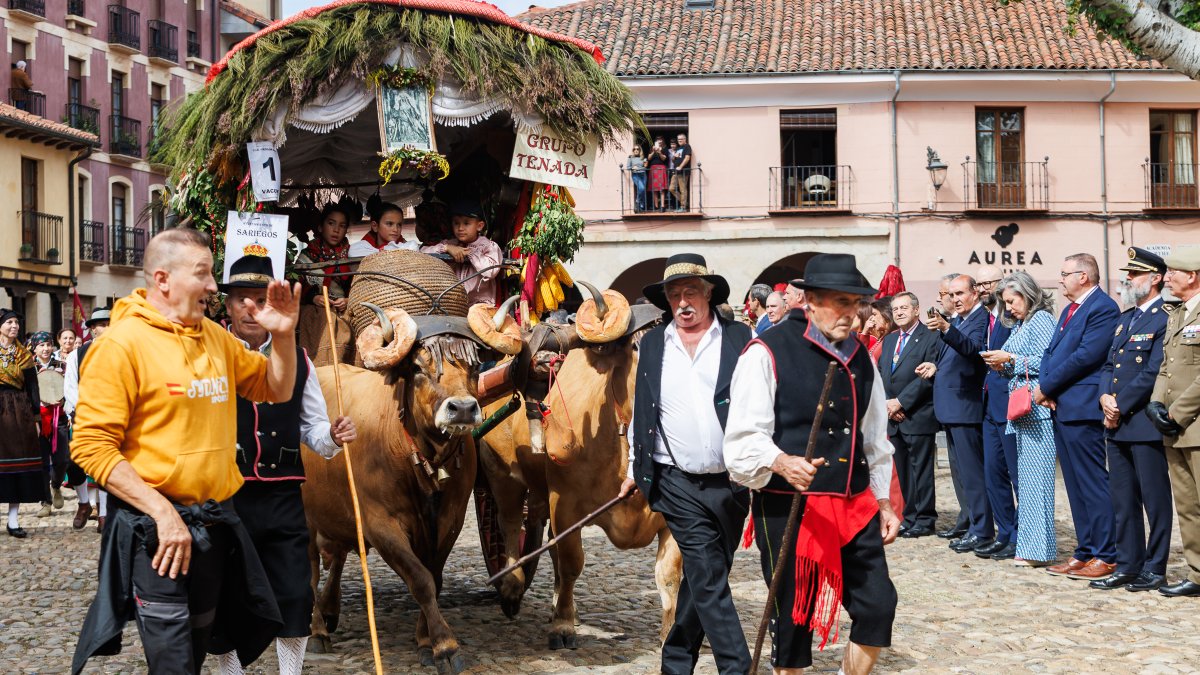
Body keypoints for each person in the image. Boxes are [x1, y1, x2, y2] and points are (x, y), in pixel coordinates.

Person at [71, 228, 300, 674]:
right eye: (203, 274)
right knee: (174, 664)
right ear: (163, 279)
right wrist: (162, 513)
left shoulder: (214, 337)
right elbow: (91, 446)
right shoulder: (119, 346)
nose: (215, 286)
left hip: (212, 525)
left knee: (193, 656)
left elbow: (276, 388)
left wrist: (285, 337)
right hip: (155, 535)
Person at [725, 253, 899, 675]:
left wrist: (883, 500)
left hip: (852, 499)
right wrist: (780, 460)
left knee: (878, 604)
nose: (853, 315)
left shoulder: (861, 357)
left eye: (857, 304)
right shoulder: (766, 351)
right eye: (841, 303)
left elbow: (873, 435)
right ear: (812, 301)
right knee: (793, 615)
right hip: (788, 503)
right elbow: (742, 438)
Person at [212, 255, 357, 675]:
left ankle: (290, 672)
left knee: (295, 592)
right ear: (228, 306)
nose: (252, 308)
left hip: (283, 496)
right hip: (227, 495)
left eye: (261, 299)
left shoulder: (299, 359)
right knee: (229, 591)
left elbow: (312, 426)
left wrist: (332, 435)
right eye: (242, 299)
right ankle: (231, 672)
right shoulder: (211, 355)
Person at [618, 253, 753, 674]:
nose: (682, 302)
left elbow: (760, 402)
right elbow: (644, 410)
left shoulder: (740, 338)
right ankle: (737, 667)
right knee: (709, 578)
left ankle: (675, 662)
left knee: (704, 576)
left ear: (709, 294)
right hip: (675, 479)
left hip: (731, 482)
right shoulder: (655, 343)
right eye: (674, 295)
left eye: (691, 292)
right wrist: (632, 470)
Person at [1089, 247, 1172, 591]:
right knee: (1122, 499)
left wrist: (1119, 404)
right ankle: (1128, 563)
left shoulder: (1165, 317)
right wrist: (1105, 397)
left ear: (1155, 279)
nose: (1128, 279)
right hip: (1116, 422)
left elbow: (1154, 371)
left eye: (1136, 275)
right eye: (1129, 274)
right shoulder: (1126, 318)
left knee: (1155, 500)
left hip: (1142, 423)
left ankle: (1155, 566)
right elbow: (1110, 365)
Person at [1037, 253, 1121, 580]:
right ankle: (1085, 549)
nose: (1060, 279)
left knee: (1092, 482)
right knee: (1073, 484)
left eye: (1064, 273)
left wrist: (1046, 387)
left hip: (1083, 405)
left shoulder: (1102, 307)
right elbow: (1053, 352)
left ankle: (1106, 553)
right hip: (1063, 403)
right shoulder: (1070, 309)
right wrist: (1049, 389)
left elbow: (1087, 356)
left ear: (1083, 276)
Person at [980, 271, 1058, 566]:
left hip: (1037, 412)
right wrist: (1002, 363)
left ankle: (1038, 550)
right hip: (1021, 413)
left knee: (1037, 482)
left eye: (1012, 301)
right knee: (1026, 482)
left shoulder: (1041, 321)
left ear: (1027, 294)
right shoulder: (1022, 323)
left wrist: (1010, 360)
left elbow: (1048, 362)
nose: (1009, 308)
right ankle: (1029, 547)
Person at [920, 274, 994, 553]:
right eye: (951, 295)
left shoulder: (978, 319)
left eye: (960, 293)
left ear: (975, 293)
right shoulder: (961, 321)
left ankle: (982, 529)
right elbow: (949, 356)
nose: (955, 299)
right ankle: (972, 524)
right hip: (951, 406)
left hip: (966, 406)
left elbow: (973, 350)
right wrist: (934, 367)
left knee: (973, 473)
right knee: (962, 474)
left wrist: (947, 328)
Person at [1147, 248, 1200, 597]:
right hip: (1174, 427)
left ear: (1193, 275)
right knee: (1187, 505)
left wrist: (1177, 413)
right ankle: (1198, 573)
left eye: (1173, 272)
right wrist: (1155, 403)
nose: (1167, 278)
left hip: (1194, 424)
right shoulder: (1177, 314)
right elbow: (1167, 367)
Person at [967, 266, 1020, 561]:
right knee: (993, 474)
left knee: (1014, 474)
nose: (984, 287)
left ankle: (1019, 535)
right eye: (981, 282)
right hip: (989, 403)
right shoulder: (989, 317)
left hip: (1009, 404)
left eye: (990, 281)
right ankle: (1005, 531)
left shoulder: (1010, 315)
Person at [880, 292, 943, 538]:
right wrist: (888, 404)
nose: (899, 312)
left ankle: (925, 519)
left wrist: (901, 403)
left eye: (904, 308)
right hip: (892, 416)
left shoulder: (930, 337)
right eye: (895, 309)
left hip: (917, 414)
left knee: (921, 470)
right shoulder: (889, 340)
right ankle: (909, 515)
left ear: (916, 310)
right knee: (903, 469)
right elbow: (883, 375)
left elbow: (927, 378)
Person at [64, 308, 111, 531]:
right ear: (92, 329)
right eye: (103, 324)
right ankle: (84, 503)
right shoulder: (77, 355)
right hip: (83, 415)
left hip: (111, 417)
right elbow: (71, 387)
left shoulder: (120, 352)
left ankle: (103, 514)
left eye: (111, 324)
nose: (108, 328)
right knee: (74, 465)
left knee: (105, 466)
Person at [0, 309, 44, 538]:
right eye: (9, 322)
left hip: (18, 412)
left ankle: (13, 520)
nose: (14, 326)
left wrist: (36, 418)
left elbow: (33, 388)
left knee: (16, 466)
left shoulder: (25, 355)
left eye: (16, 322)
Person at [421, 201, 503, 306]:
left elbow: (490, 271)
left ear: (479, 226)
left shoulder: (488, 246)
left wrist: (470, 253)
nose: (460, 228)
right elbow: (422, 253)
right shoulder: (451, 243)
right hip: (452, 303)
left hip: (481, 303)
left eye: (466, 223)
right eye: (456, 223)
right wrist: (446, 248)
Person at [29, 331, 68, 519]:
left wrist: (64, 401)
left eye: (48, 344)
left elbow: (70, 389)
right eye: (41, 345)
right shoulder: (29, 367)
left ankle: (56, 485)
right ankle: (45, 501)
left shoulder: (62, 366)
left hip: (59, 418)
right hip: (38, 420)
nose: (45, 348)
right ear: (34, 348)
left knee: (62, 459)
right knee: (42, 462)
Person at [348, 202, 420, 258]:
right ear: (375, 226)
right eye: (389, 224)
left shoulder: (406, 246)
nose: (395, 229)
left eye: (399, 225)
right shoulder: (364, 247)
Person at [670, 133, 693, 212]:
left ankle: (683, 207)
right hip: (676, 172)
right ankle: (684, 203)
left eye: (681, 139)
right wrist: (674, 157)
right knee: (671, 188)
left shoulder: (687, 146)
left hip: (683, 171)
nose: (679, 141)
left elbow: (687, 158)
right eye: (678, 139)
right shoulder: (678, 148)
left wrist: (681, 167)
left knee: (683, 189)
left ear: (685, 139)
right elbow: (673, 160)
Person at [647, 136, 669, 212]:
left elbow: (664, 158)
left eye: (660, 139)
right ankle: (656, 206)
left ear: (662, 141)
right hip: (653, 169)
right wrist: (653, 151)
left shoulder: (665, 149)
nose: (659, 141)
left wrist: (659, 152)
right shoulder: (652, 149)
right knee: (654, 189)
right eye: (657, 140)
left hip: (661, 168)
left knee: (662, 188)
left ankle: (662, 206)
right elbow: (649, 158)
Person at [627, 145, 647, 212]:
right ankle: (638, 201)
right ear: (633, 150)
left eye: (637, 149)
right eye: (634, 149)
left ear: (640, 150)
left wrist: (639, 167)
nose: (636, 150)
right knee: (642, 188)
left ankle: (641, 206)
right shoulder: (630, 158)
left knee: (643, 190)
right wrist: (633, 168)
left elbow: (645, 167)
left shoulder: (643, 158)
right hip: (636, 175)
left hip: (643, 175)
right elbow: (628, 167)